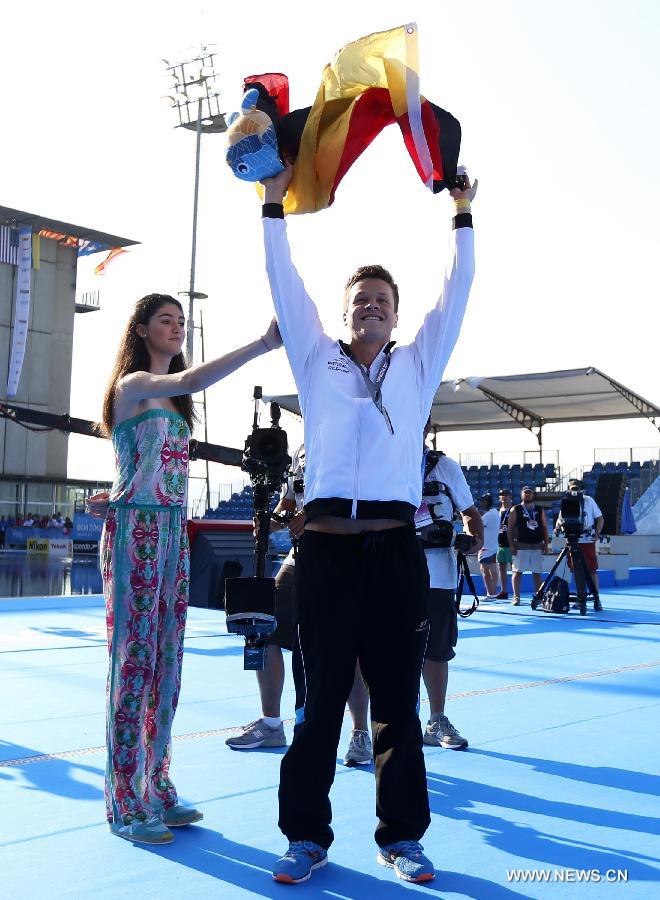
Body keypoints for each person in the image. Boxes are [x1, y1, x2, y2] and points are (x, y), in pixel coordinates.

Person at [260, 162, 476, 884]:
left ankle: (401, 838)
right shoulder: (314, 357)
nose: (371, 307)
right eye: (361, 299)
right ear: (345, 310)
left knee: (396, 707)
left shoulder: (418, 364)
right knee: (318, 704)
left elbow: (459, 289)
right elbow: (281, 275)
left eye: (383, 300)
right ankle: (305, 839)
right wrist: (270, 201)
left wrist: (462, 212)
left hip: (394, 555)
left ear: (396, 313)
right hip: (324, 554)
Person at [89, 293, 281, 846]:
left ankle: (156, 781)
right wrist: (263, 344)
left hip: (173, 533)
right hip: (135, 534)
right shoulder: (132, 388)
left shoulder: (175, 405)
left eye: (180, 322)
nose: (175, 328)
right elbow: (189, 382)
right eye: (165, 321)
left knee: (168, 665)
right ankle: (125, 797)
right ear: (142, 330)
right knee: (134, 662)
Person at [227, 444, 373, 764]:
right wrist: (273, 519)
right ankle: (271, 724)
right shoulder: (301, 449)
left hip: (345, 556)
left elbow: (358, 493)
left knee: (347, 646)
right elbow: (291, 499)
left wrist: (313, 514)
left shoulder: (350, 434)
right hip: (300, 556)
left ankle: (360, 732)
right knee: (264, 627)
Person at [416, 439, 482, 750]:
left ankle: (436, 719)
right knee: (385, 649)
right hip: (388, 570)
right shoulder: (381, 459)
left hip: (438, 573)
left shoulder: (445, 467)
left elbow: (470, 514)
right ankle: (390, 721)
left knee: (437, 647)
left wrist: (472, 539)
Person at [555, 477, 604, 611]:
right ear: (568, 490)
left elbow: (600, 519)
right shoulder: (566, 501)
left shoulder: (589, 501)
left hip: (587, 539)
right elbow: (560, 519)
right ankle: (580, 597)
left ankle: (596, 598)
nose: (575, 491)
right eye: (572, 489)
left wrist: (597, 534)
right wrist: (557, 529)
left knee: (592, 570)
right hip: (572, 540)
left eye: (577, 488)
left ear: (581, 489)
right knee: (576, 570)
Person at [507, 486, 549, 606]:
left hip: (537, 544)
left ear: (533, 494)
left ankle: (538, 595)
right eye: (525, 492)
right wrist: (511, 545)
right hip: (521, 544)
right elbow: (509, 528)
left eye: (530, 493)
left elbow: (545, 527)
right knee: (517, 571)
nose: (528, 494)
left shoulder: (539, 509)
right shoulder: (516, 509)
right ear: (521, 494)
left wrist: (546, 543)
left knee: (537, 573)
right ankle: (516, 597)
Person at [477, 493, 500, 600]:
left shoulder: (488, 515)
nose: (480, 502)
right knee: (493, 569)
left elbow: (477, 526)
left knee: (485, 570)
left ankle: (490, 594)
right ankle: (493, 592)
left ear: (486, 502)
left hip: (486, 547)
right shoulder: (495, 512)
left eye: (482, 500)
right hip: (494, 546)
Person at [495, 489, 513, 599]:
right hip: (500, 544)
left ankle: (516, 593)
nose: (503, 496)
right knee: (502, 568)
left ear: (510, 497)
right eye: (501, 494)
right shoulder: (499, 510)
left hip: (511, 544)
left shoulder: (513, 510)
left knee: (515, 569)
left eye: (506, 494)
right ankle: (504, 591)